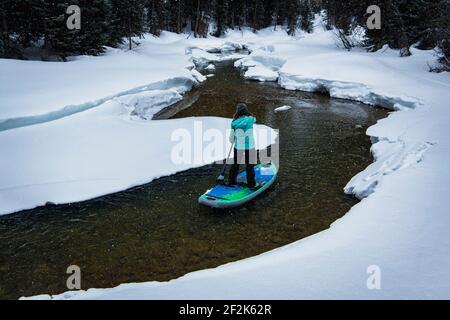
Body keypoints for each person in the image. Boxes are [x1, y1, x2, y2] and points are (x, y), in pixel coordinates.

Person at [228, 103, 257, 189]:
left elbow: (231, 139)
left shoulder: (234, 123)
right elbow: (254, 119)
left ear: (237, 112)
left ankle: (231, 181)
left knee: (235, 164)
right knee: (249, 166)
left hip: (238, 146)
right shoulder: (251, 120)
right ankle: (251, 184)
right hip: (250, 146)